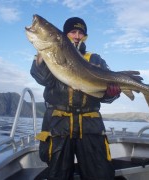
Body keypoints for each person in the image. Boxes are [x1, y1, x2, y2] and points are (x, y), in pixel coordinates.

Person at [30, 17, 121, 180]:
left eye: (81, 33)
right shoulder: (50, 55)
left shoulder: (96, 59)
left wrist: (111, 94)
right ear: (65, 35)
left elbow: (105, 96)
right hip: (59, 125)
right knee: (58, 175)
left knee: (99, 174)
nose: (77, 36)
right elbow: (43, 79)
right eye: (73, 32)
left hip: (90, 126)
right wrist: (42, 54)